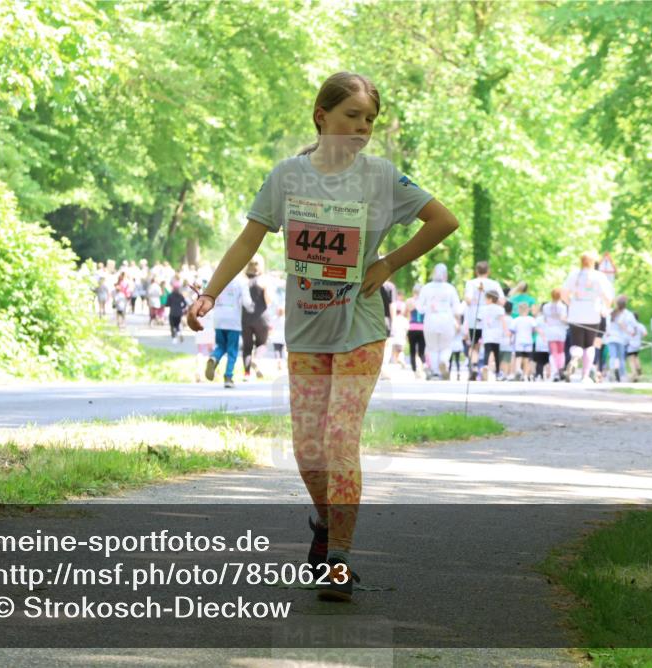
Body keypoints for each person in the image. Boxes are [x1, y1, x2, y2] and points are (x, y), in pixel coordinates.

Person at [186, 71, 458, 602]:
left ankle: (339, 560)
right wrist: (209, 294)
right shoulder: (288, 176)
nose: (362, 128)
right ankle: (326, 522)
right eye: (352, 116)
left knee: (339, 438)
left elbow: (442, 221)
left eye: (370, 120)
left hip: (361, 327)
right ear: (321, 117)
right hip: (307, 330)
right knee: (308, 449)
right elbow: (247, 241)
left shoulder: (382, 176)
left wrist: (388, 263)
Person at [562, 251, 614, 383]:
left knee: (576, 343)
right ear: (593, 262)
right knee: (589, 345)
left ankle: (575, 356)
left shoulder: (573, 275)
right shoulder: (599, 276)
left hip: (576, 313)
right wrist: (605, 308)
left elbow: (564, 294)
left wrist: (571, 304)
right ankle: (585, 376)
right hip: (593, 314)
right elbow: (608, 297)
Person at [203, 272, 253, 388]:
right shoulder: (241, 282)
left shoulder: (219, 279)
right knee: (232, 350)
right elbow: (247, 302)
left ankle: (214, 358)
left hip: (218, 318)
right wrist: (251, 307)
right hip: (233, 320)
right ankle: (228, 377)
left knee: (220, 345)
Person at [418, 263, 461, 380]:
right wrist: (458, 322)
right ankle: (443, 361)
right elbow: (457, 308)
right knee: (446, 346)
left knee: (432, 347)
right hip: (446, 320)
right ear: (445, 275)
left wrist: (429, 307)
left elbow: (419, 308)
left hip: (430, 320)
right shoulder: (450, 288)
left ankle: (436, 372)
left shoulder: (426, 288)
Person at [463, 261, 504, 379]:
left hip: (475, 318)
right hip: (490, 321)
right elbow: (502, 301)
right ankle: (486, 367)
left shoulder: (471, 283)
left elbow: (468, 300)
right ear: (488, 271)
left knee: (474, 345)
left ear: (476, 271)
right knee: (489, 346)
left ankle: (474, 366)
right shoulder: (494, 284)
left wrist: (475, 299)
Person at [241, 255, 273, 381]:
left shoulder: (243, 281)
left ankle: (246, 374)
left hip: (245, 318)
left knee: (247, 347)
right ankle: (256, 360)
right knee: (262, 344)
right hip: (261, 317)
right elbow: (268, 300)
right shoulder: (264, 280)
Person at [478, 290, 510, 381]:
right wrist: (506, 331)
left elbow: (478, 320)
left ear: (490, 299)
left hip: (487, 333)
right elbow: (503, 321)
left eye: (486, 299)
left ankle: (485, 366)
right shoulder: (500, 309)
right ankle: (497, 372)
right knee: (496, 353)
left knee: (487, 351)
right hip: (497, 334)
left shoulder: (483, 308)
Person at [603, 295, 635, 382]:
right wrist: (630, 333)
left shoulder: (611, 312)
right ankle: (622, 374)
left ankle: (612, 372)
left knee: (612, 356)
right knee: (621, 358)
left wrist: (607, 332)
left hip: (611, 338)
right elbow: (624, 325)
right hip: (620, 339)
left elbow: (607, 325)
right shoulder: (626, 314)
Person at [543, 288, 568, 381]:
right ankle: (560, 368)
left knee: (553, 352)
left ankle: (555, 371)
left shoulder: (546, 306)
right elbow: (563, 319)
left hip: (550, 331)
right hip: (560, 331)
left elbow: (545, 320)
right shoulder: (562, 307)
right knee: (560, 352)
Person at [511, 301, 537, 381]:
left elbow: (512, 331)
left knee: (518, 357)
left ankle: (518, 369)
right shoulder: (531, 319)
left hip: (519, 341)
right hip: (528, 340)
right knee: (527, 359)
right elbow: (534, 329)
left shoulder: (516, 320)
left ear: (519, 310)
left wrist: (510, 340)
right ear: (528, 310)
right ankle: (525, 375)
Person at [406, 283, 427, 378]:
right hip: (421, 328)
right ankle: (423, 367)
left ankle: (415, 371)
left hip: (413, 328)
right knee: (421, 351)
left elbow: (408, 311)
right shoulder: (424, 301)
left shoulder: (410, 301)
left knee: (413, 351)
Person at [626, 311, 648, 381]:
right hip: (638, 344)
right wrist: (639, 337)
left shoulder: (629, 326)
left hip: (630, 344)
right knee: (636, 357)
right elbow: (645, 333)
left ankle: (634, 373)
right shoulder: (640, 325)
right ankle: (639, 372)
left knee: (631, 359)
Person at [389, 304, 409, 369]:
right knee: (401, 350)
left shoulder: (394, 320)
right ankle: (401, 360)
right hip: (402, 337)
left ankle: (396, 363)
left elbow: (392, 330)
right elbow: (407, 329)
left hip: (395, 338)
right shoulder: (404, 319)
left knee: (395, 351)